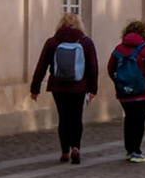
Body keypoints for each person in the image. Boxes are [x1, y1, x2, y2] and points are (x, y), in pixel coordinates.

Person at [28, 11, 99, 164]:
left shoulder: (52, 42)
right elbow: (93, 67)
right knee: (76, 117)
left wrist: (35, 88)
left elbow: (41, 66)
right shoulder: (86, 43)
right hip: (79, 86)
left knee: (64, 118)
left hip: (58, 86)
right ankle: (76, 147)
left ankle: (65, 152)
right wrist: (93, 89)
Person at [108, 19, 145, 163]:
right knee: (139, 121)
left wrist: (119, 82)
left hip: (124, 92)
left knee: (129, 118)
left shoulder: (118, 49)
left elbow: (110, 68)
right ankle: (136, 151)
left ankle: (129, 149)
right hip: (143, 91)